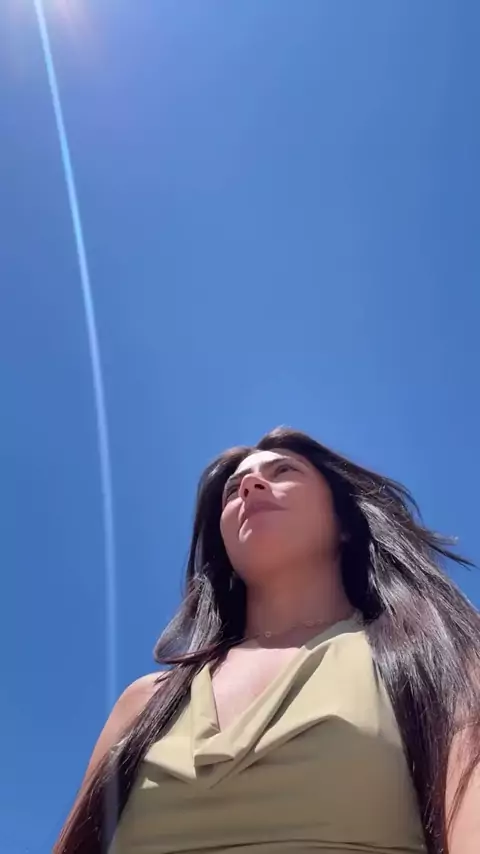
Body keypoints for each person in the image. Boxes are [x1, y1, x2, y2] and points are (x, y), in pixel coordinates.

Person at [54, 427, 480, 854]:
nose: (250, 487)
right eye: (233, 490)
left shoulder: (441, 659)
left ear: (345, 524)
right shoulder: (145, 702)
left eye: (284, 471)